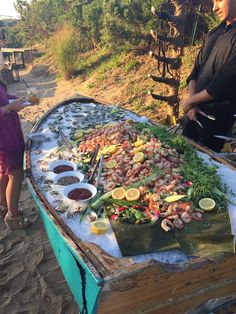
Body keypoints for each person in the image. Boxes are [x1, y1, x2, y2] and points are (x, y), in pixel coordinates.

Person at [182, 0, 236, 152]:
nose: (214, 8)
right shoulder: (214, 32)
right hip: (193, 113)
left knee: (206, 167)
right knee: (182, 153)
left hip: (217, 119)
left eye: (219, 0)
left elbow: (222, 85)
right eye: (213, 2)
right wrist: (192, 103)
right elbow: (195, 71)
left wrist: (190, 102)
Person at [0, 77, 31, 229]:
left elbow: (3, 99)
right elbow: (4, 107)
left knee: (5, 171)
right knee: (16, 174)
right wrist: (11, 106)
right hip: (5, 139)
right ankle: (13, 216)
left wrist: (21, 100)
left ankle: (4, 204)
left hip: (9, 133)